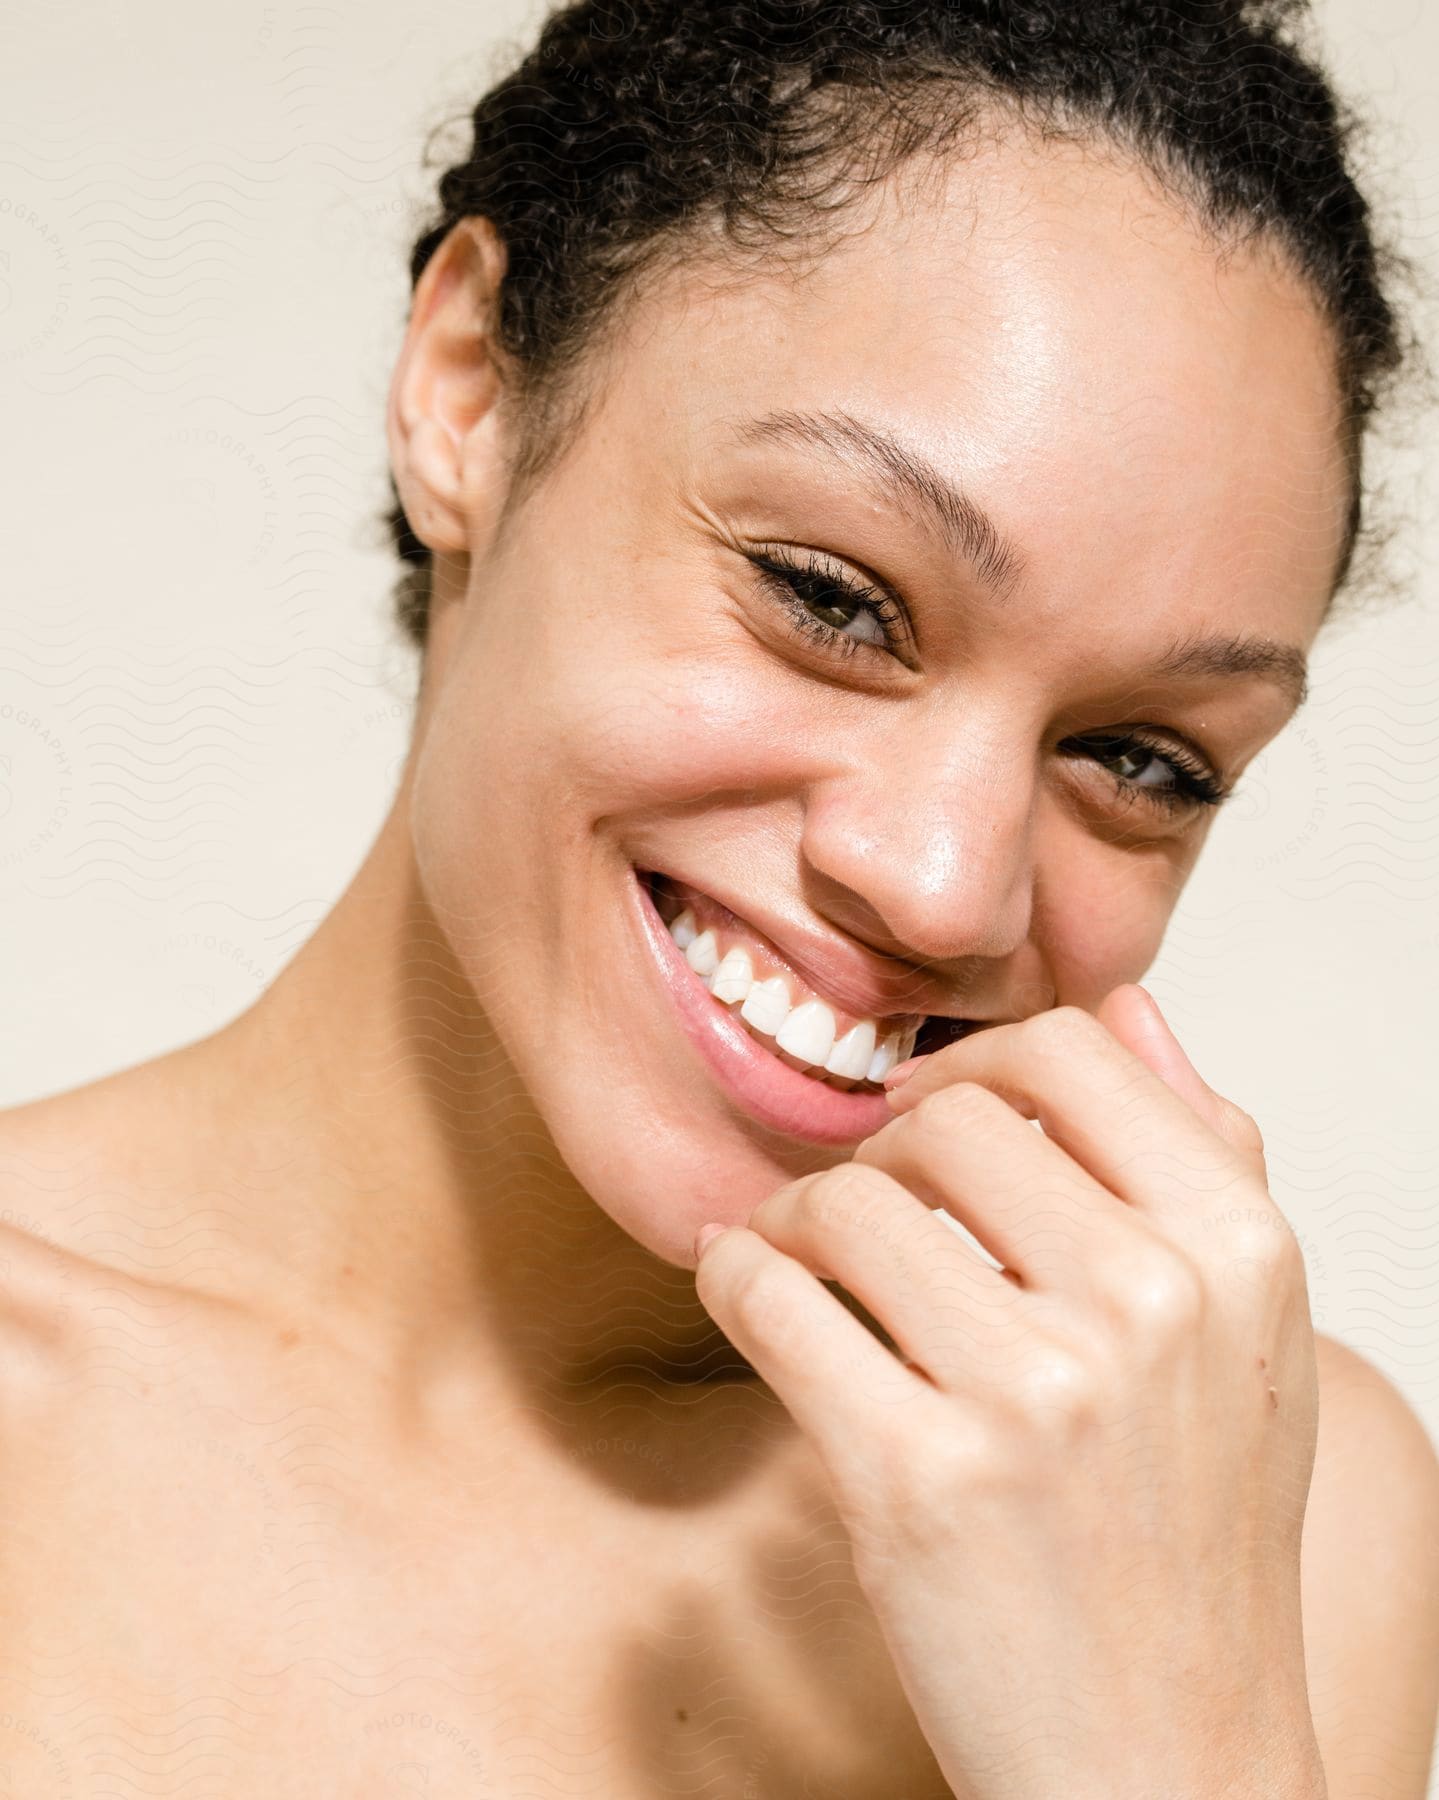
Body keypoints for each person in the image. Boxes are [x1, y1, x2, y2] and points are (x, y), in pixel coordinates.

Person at [2, 0, 1436, 1793]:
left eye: (1145, 758)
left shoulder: (1261, 1531)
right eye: (833, 596)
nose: (940, 883)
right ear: (470, 393)